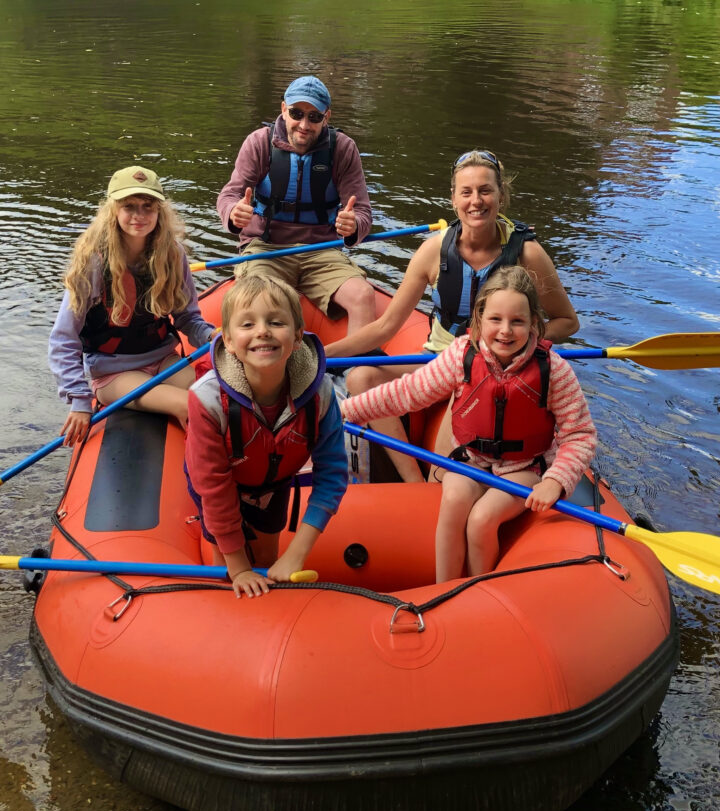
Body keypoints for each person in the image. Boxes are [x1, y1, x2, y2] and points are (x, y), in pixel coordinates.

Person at [342, 266, 596, 582]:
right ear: (479, 318)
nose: (505, 331)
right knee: (452, 501)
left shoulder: (553, 371)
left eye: (517, 321)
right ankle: (444, 587)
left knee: (481, 519)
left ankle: (477, 590)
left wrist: (555, 481)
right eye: (495, 319)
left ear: (533, 323)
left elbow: (580, 433)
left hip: (524, 468)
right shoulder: (461, 354)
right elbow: (408, 393)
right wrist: (347, 410)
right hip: (471, 458)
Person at [340, 149, 580, 481]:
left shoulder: (527, 253)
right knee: (359, 378)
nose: (476, 201)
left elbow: (567, 321)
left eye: (485, 190)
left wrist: (521, 345)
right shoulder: (433, 250)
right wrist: (319, 354)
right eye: (466, 192)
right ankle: (413, 482)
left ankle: (437, 480)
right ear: (453, 199)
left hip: (489, 369)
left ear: (501, 196)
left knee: (447, 466)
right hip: (437, 360)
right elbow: (385, 326)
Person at [185, 276, 348, 599]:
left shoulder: (322, 396)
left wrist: (296, 554)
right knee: (232, 575)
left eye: (276, 322)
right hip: (224, 486)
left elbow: (332, 475)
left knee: (269, 562)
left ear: (298, 336)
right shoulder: (206, 401)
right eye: (248, 324)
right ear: (228, 341)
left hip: (273, 486)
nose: (262, 331)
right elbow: (214, 490)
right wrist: (239, 567)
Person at [48, 166, 215, 446]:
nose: (139, 215)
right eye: (129, 206)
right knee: (192, 405)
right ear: (114, 210)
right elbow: (63, 339)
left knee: (219, 400)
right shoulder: (94, 263)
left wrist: (213, 337)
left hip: (164, 361)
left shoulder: (172, 255)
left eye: (148, 207)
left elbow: (188, 320)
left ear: (159, 211)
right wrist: (79, 399)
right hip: (114, 373)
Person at [217, 75, 377, 337]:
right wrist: (234, 212)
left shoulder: (343, 149)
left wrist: (353, 226)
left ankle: (356, 373)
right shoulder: (259, 142)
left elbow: (362, 213)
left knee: (362, 295)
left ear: (326, 117)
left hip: (321, 249)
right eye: (296, 113)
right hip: (266, 247)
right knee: (262, 303)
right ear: (283, 110)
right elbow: (229, 195)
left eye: (314, 117)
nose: (304, 124)